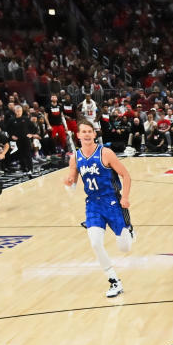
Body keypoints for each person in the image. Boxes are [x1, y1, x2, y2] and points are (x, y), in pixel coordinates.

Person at [63, 119, 135, 298]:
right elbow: (73, 183)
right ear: (78, 135)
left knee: (124, 247)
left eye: (90, 131)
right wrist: (68, 183)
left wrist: (125, 197)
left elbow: (125, 175)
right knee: (95, 243)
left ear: (94, 134)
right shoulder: (75, 157)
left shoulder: (106, 153)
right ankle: (114, 280)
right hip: (93, 204)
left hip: (112, 202)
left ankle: (129, 230)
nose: (87, 134)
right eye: (83, 132)